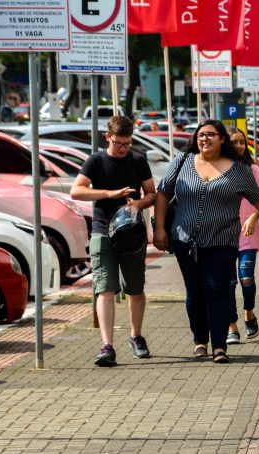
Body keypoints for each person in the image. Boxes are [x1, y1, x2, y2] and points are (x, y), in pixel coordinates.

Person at [153, 120, 259, 363]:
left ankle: (219, 346)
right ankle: (200, 341)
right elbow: (163, 192)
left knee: (216, 291)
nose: (204, 139)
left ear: (222, 139)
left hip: (222, 240)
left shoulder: (239, 169)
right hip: (186, 241)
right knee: (194, 291)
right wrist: (160, 228)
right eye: (201, 135)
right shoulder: (182, 162)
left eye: (210, 135)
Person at [70, 115, 156, 367]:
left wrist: (139, 203)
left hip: (132, 233)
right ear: (108, 138)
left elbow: (152, 192)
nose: (123, 149)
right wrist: (110, 193)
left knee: (135, 288)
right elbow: (77, 190)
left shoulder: (138, 160)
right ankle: (107, 345)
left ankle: (136, 336)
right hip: (102, 230)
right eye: (119, 143)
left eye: (127, 144)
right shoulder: (96, 161)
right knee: (105, 287)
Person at [225, 127, 259, 345]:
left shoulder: (253, 169)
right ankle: (232, 326)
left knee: (246, 278)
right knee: (229, 283)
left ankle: (249, 313)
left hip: (248, 233)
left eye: (242, 142)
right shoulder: (219, 169)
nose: (239, 146)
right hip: (224, 234)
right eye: (234, 142)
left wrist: (253, 218)